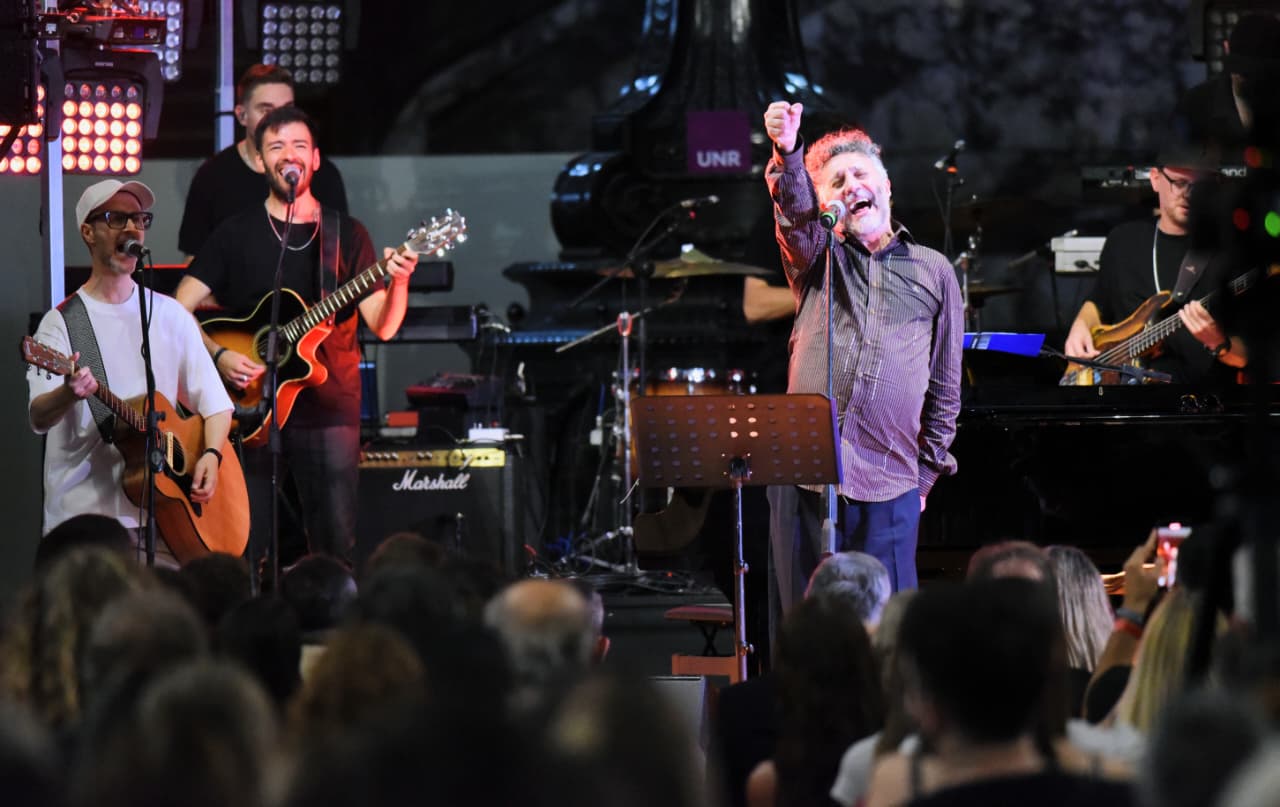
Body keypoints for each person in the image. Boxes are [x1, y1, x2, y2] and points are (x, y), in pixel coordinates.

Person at [176, 106, 419, 563]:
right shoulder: (234, 233)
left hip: (328, 409)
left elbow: (383, 326)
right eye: (276, 146)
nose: (289, 154)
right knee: (244, 543)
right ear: (261, 161)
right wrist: (219, 354)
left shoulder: (348, 235)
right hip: (250, 407)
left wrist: (400, 281)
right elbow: (177, 308)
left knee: (334, 548)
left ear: (316, 159)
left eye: (300, 145)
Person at [761, 100, 963, 605]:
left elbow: (945, 390)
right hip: (803, 480)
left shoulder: (934, 271)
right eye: (837, 181)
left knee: (886, 629)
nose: (851, 186)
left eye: (860, 174)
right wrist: (788, 151)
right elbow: (795, 217)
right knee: (807, 625)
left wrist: (923, 479)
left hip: (891, 483)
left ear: (886, 186)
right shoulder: (817, 256)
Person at [27, 180, 233, 566]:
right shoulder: (63, 323)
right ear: (88, 232)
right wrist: (69, 392)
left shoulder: (169, 314)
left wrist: (210, 454)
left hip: (167, 516)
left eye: (139, 219)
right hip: (87, 523)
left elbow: (217, 405)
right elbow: (38, 416)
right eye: (116, 219)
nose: (132, 229)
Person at [1062, 154, 1244, 384]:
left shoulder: (1233, 252)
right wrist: (1081, 324)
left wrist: (1220, 344)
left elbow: (1249, 356)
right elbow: (1098, 302)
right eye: (1179, 183)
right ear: (1156, 179)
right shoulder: (1124, 240)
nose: (1189, 194)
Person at [177, 63, 348, 258]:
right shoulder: (212, 176)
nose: (280, 121)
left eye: (287, 109)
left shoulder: (323, 174)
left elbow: (341, 257)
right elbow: (194, 261)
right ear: (242, 115)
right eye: (266, 110)